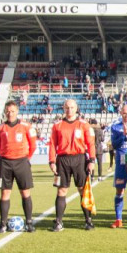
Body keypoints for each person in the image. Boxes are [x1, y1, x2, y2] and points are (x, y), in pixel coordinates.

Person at [48, 99, 96, 231]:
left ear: (76, 108)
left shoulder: (84, 124)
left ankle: (88, 221)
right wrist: (52, 161)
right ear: (63, 108)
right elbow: (52, 144)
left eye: (72, 107)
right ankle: (58, 222)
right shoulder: (57, 125)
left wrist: (92, 160)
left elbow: (91, 144)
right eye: (67, 107)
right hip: (62, 160)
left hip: (80, 159)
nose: (69, 110)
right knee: (61, 190)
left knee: (82, 189)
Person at [0, 101, 36, 233]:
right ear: (5, 112)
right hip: (5, 163)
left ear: (17, 111)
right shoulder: (0, 128)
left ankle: (29, 223)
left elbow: (33, 145)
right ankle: (3, 224)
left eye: (12, 111)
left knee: (25, 192)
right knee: (5, 193)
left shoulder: (26, 126)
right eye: (7, 111)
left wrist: (26, 158)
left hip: (22, 162)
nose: (10, 114)